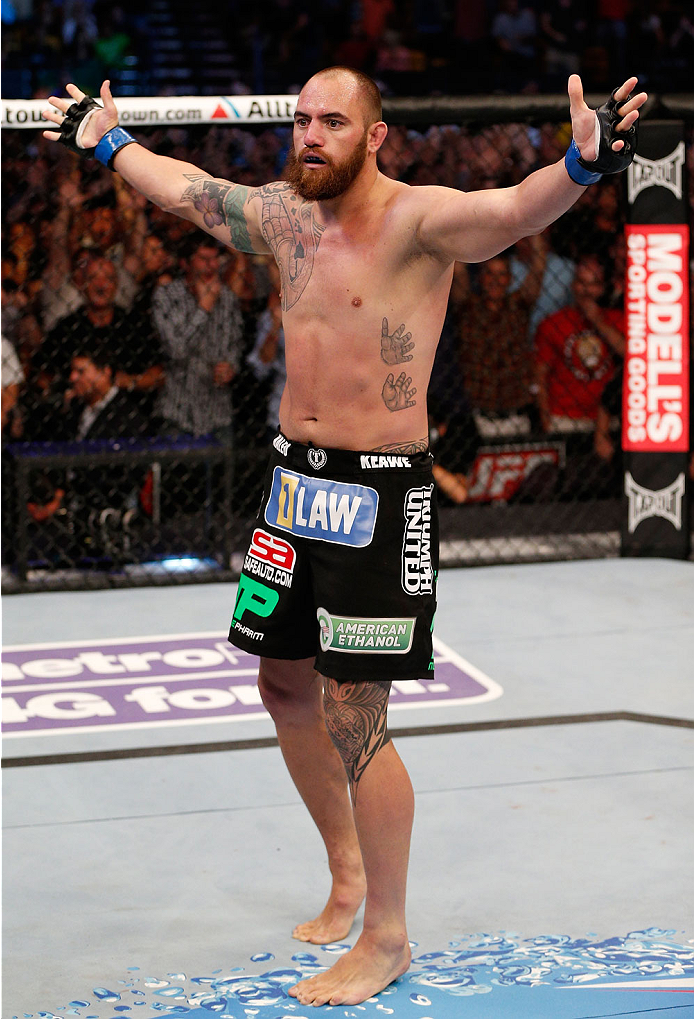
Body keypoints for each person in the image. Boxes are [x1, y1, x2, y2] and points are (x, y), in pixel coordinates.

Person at [42, 67, 645, 1006]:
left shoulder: (420, 221)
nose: (310, 134)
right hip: (292, 485)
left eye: (332, 121)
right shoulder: (284, 217)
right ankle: (348, 872)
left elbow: (516, 211)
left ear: (376, 136)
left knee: (357, 712)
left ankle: (389, 934)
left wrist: (579, 160)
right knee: (281, 681)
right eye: (300, 120)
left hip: (381, 492)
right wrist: (110, 142)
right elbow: (190, 190)